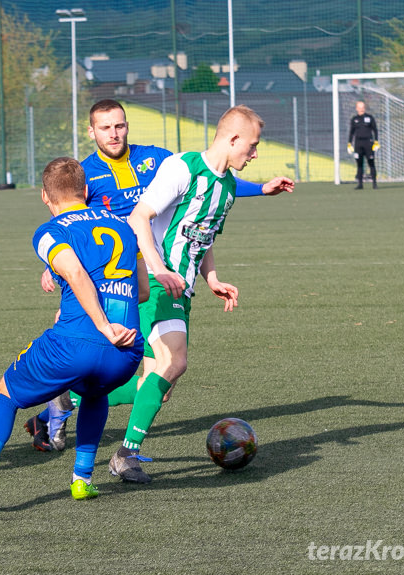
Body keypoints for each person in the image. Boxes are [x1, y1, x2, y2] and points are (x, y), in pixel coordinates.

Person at [26, 99, 294, 452]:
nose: (114, 133)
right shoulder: (85, 174)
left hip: (154, 272)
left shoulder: (156, 159)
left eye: (119, 125)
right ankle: (118, 447)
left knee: (152, 377)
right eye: (105, 128)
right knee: (154, 365)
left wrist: (258, 189)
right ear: (91, 132)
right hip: (119, 276)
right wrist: (54, 268)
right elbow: (70, 224)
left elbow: (207, 187)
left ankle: (63, 405)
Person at [0, 157, 148, 512]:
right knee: (95, 393)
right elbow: (144, 291)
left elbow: (72, 270)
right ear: (86, 191)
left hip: (77, 343)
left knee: (6, 394)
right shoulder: (123, 224)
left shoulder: (50, 231)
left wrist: (100, 324)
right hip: (127, 351)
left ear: (45, 196)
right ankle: (82, 480)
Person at [111, 104, 280, 484]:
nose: (254, 154)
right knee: (177, 362)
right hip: (156, 282)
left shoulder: (228, 188)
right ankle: (125, 454)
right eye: (251, 146)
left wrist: (213, 279)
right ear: (232, 138)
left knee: (157, 386)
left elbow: (200, 239)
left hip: (181, 288)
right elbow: (139, 217)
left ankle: (68, 401)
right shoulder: (182, 168)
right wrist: (157, 268)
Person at [347, 100, 379, 189]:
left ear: (365, 108)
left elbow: (375, 130)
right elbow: (351, 132)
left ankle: (374, 184)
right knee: (359, 164)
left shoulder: (370, 118)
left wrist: (376, 142)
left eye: (362, 107)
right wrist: (349, 143)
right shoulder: (354, 119)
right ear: (356, 108)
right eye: (359, 107)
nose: (361, 109)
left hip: (368, 143)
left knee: (371, 163)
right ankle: (360, 184)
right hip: (358, 144)